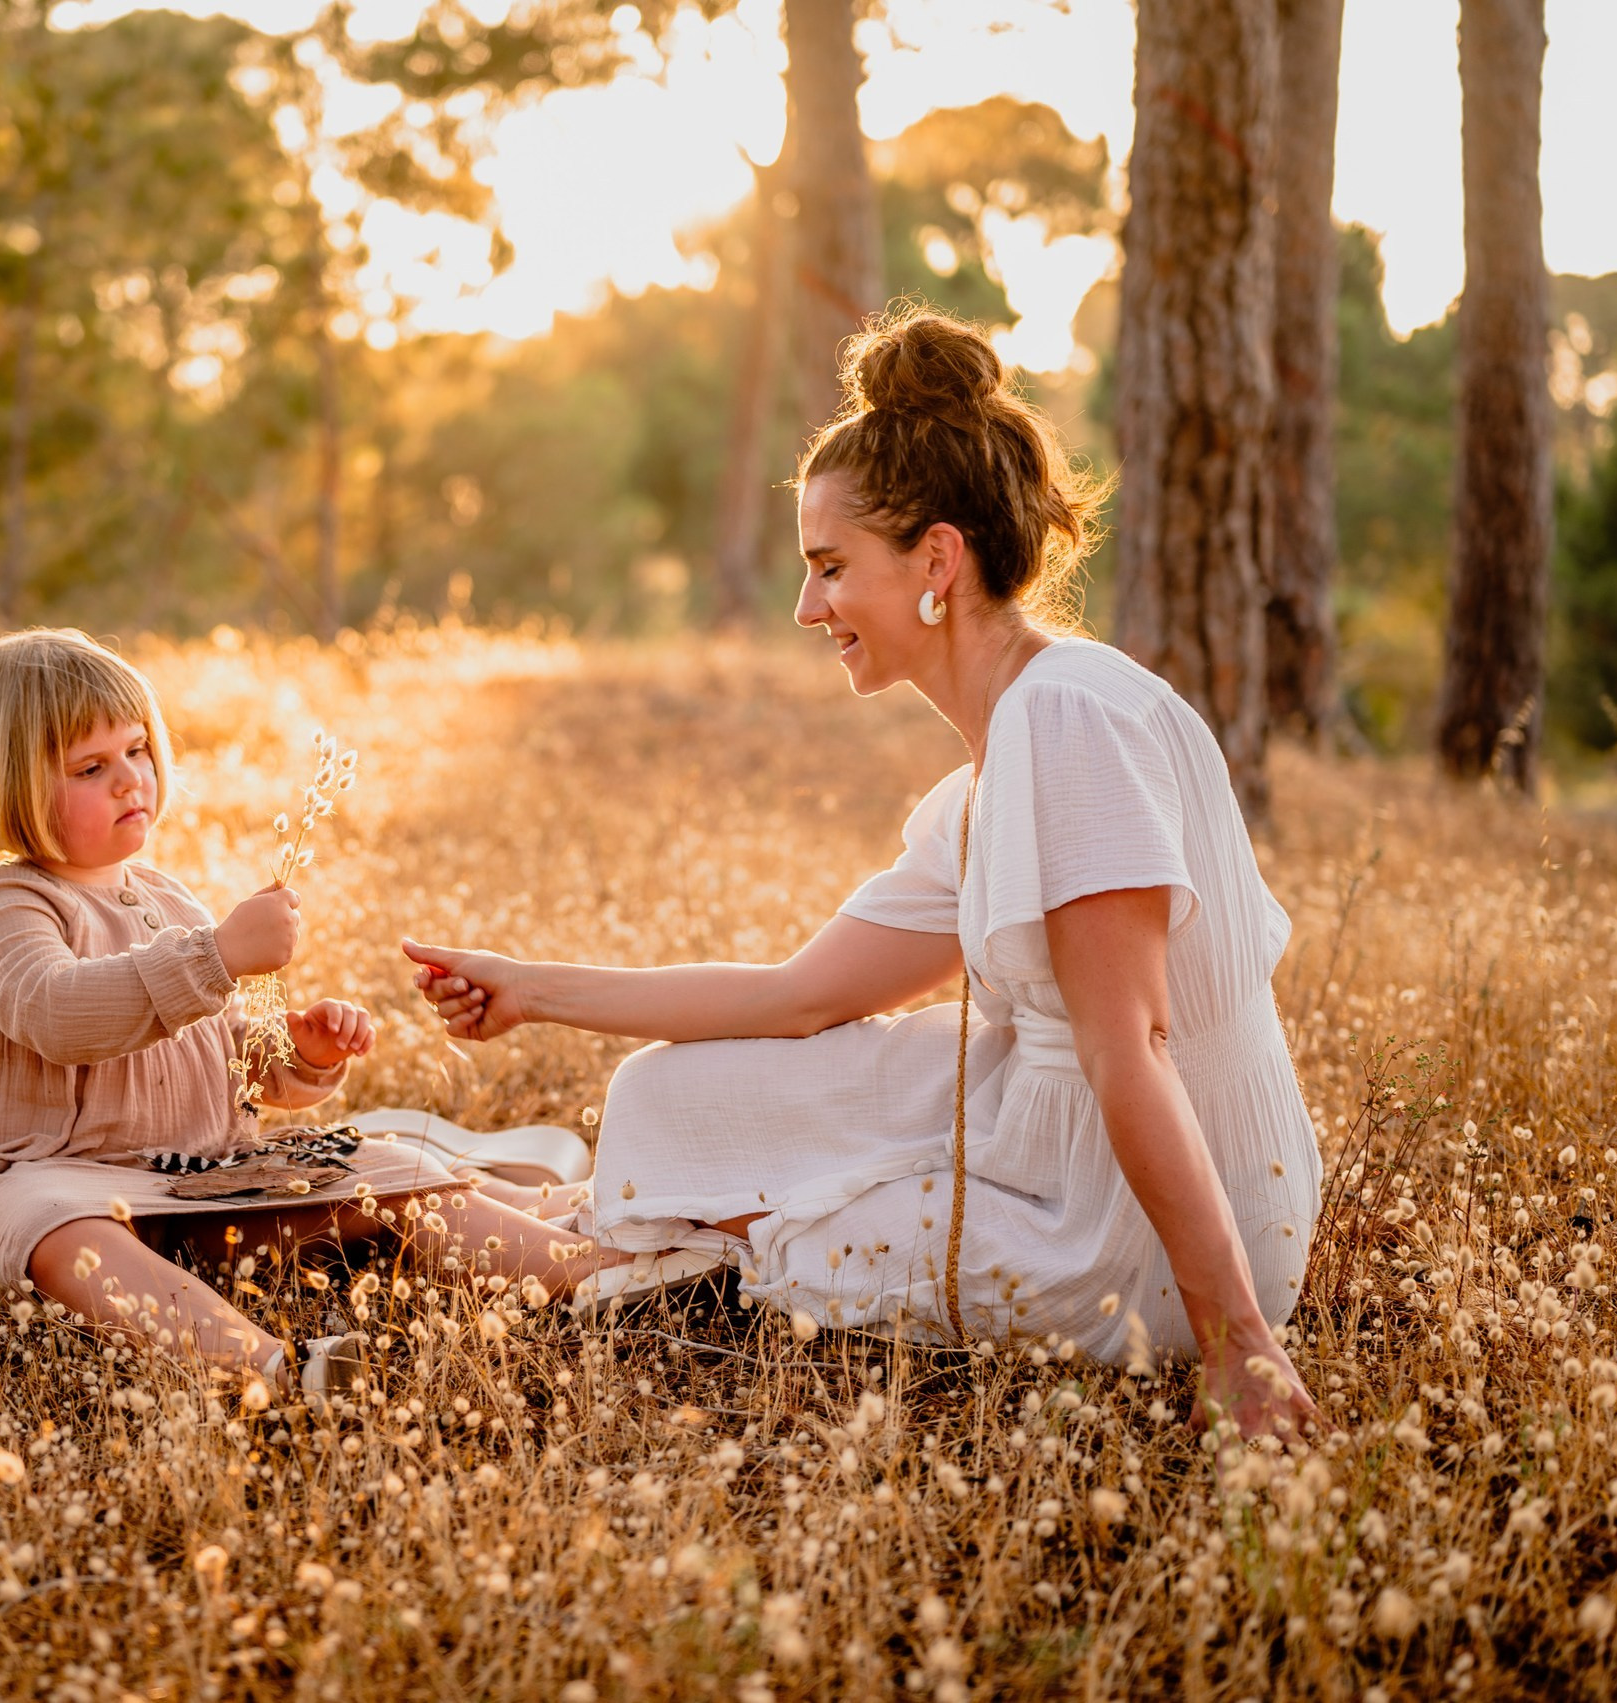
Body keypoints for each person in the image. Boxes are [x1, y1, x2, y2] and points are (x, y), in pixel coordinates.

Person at [404, 308, 1321, 1439]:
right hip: (1039, 1137)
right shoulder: (997, 774)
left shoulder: (1068, 722)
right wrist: (528, 989)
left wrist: (1240, 1343)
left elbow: (1129, 1044)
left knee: (755, 1224)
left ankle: (441, 1216)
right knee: (661, 1090)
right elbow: (799, 997)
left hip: (1117, 1233)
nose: (806, 607)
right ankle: (554, 1211)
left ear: (936, 559)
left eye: (830, 568)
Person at [0, 628, 577, 1399]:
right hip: (50, 1176)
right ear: (7, 787)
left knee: (387, 1177)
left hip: (199, 1183)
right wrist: (217, 954)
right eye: (92, 767)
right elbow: (60, 1013)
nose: (132, 781)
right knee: (51, 1226)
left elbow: (231, 1070)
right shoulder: (2, 908)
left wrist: (302, 1054)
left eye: (138, 750)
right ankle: (276, 1369)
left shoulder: (168, 902)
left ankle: (600, 1269)